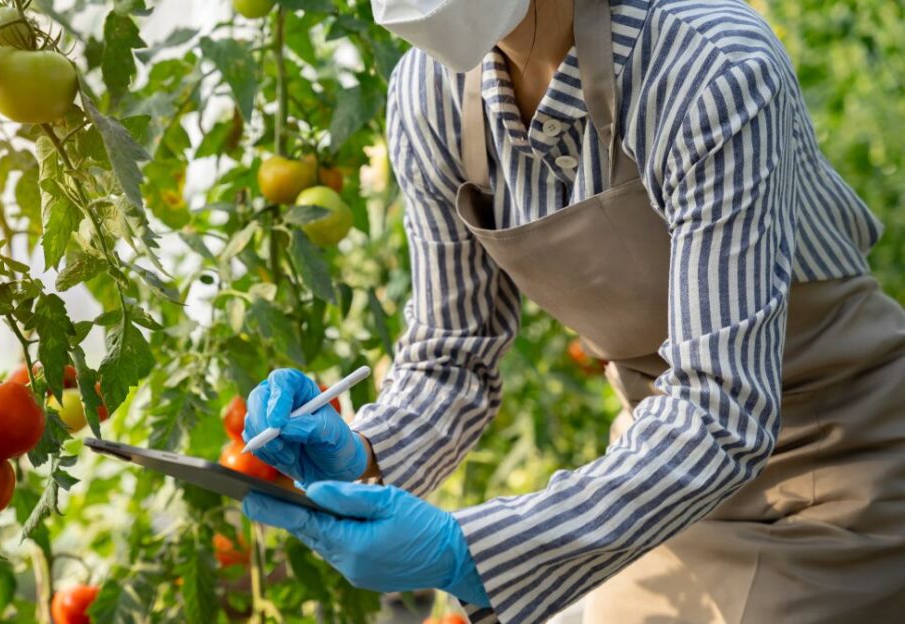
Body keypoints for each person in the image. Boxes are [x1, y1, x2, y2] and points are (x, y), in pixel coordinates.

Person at [240, 0, 905, 622]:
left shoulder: (709, 66)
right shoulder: (431, 96)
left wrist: (468, 550)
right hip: (656, 482)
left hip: (845, 460)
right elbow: (453, 355)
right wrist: (365, 453)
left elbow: (723, 408)